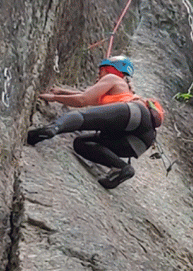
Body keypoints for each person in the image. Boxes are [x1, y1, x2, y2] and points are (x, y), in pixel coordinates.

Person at [27, 56, 164, 189]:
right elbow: (87, 97)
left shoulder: (113, 78)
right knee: (81, 143)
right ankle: (122, 167)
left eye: (100, 72)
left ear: (108, 69)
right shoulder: (122, 92)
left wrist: (53, 97)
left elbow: (82, 100)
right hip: (139, 141)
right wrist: (62, 92)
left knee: (79, 116)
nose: (98, 77)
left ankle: (52, 128)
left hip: (133, 113)